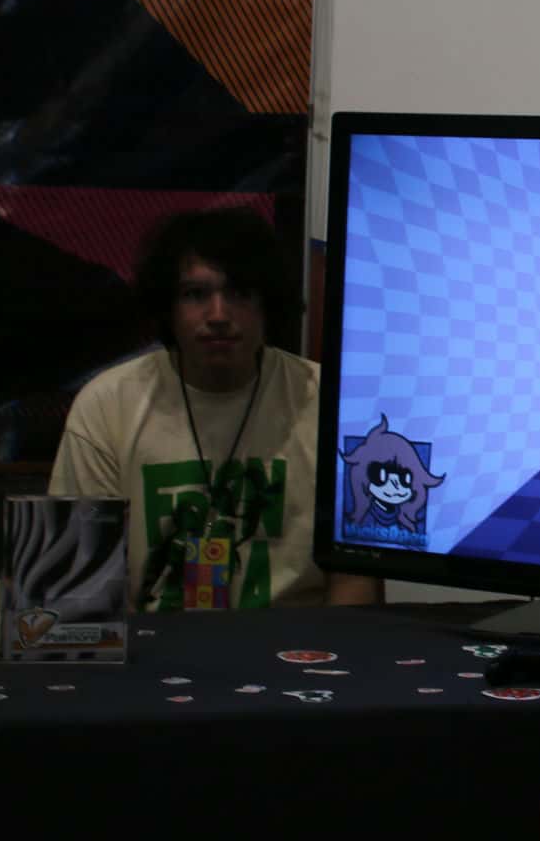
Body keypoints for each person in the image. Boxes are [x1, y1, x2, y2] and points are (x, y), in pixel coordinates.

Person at [50, 207, 380, 610]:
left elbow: (354, 579)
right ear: (168, 308)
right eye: (196, 294)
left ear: (268, 304)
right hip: (153, 642)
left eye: (239, 293)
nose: (219, 315)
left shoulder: (332, 403)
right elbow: (81, 582)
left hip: (299, 643)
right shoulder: (106, 407)